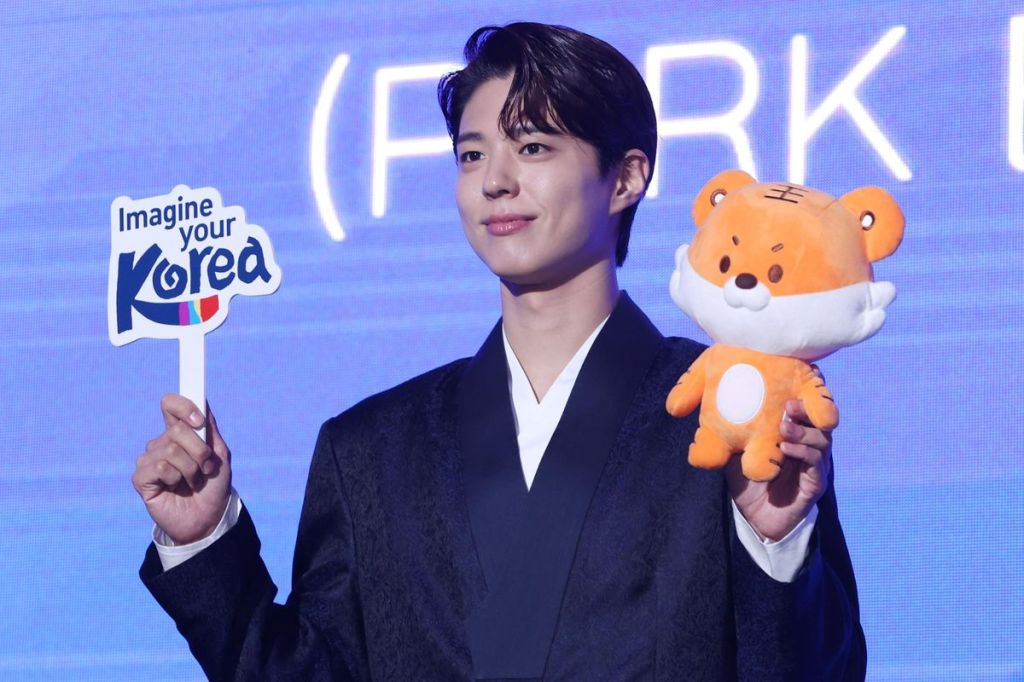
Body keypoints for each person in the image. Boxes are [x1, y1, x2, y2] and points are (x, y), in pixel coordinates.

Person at [134, 22, 865, 681]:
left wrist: (777, 546)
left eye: (533, 147)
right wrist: (205, 543)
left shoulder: (730, 416)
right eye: (472, 154)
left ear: (626, 177)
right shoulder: (369, 449)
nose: (494, 181)